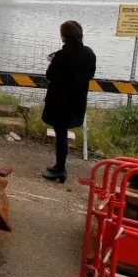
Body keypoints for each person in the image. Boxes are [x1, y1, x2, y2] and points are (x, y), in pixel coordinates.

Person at [41, 20, 96, 183]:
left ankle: (60, 169)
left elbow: (50, 76)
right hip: (78, 100)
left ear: (64, 37)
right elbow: (90, 74)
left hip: (60, 101)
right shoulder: (89, 53)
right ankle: (59, 167)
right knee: (62, 133)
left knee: (61, 134)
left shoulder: (61, 55)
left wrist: (53, 62)